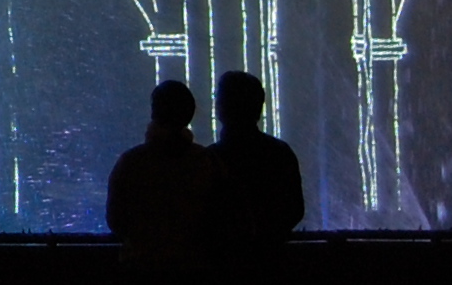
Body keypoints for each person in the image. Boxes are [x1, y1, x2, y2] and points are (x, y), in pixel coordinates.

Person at [105, 77, 211, 267]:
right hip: (194, 268)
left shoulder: (131, 162)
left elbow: (115, 221)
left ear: (154, 113)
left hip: (141, 266)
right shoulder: (207, 162)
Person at [204, 69, 305, 251]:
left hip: (221, 260)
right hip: (273, 258)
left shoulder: (208, 160)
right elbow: (294, 210)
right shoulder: (280, 153)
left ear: (221, 108)